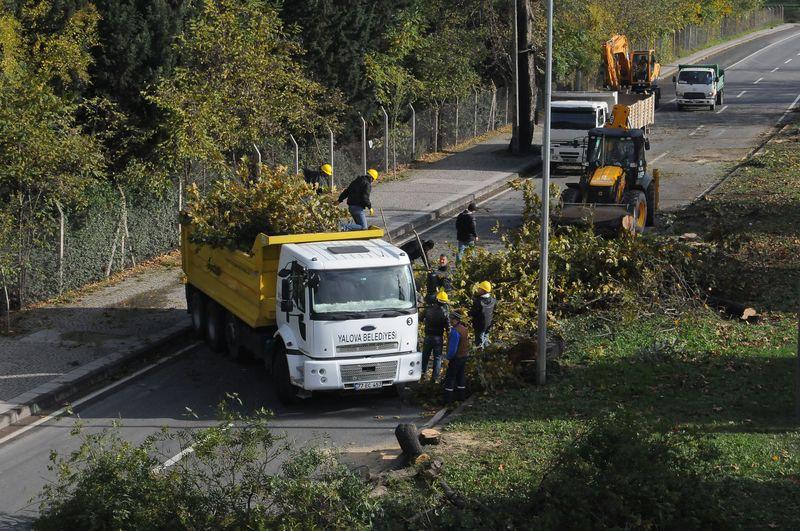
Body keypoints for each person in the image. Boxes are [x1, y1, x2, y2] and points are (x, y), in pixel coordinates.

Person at [421, 290, 450, 382]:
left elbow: (420, 318)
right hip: (438, 337)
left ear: (437, 299)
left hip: (428, 336)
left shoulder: (428, 309)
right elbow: (448, 327)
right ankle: (435, 378)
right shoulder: (445, 312)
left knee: (425, 356)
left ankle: (422, 375)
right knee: (437, 358)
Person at [443, 312, 470, 404]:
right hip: (464, 356)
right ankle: (461, 397)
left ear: (456, 320)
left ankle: (447, 400)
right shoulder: (465, 329)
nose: (450, 321)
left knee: (450, 378)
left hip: (456, 358)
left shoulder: (455, 332)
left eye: (451, 319)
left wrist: (447, 358)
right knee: (461, 376)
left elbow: (453, 349)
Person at [469, 280, 496, 348]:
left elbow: (472, 313)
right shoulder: (493, 300)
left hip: (479, 325)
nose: (477, 289)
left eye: (479, 288)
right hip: (488, 324)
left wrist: (466, 312)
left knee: (479, 342)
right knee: (486, 339)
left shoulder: (478, 302)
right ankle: (487, 353)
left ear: (484, 291)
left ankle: (480, 356)